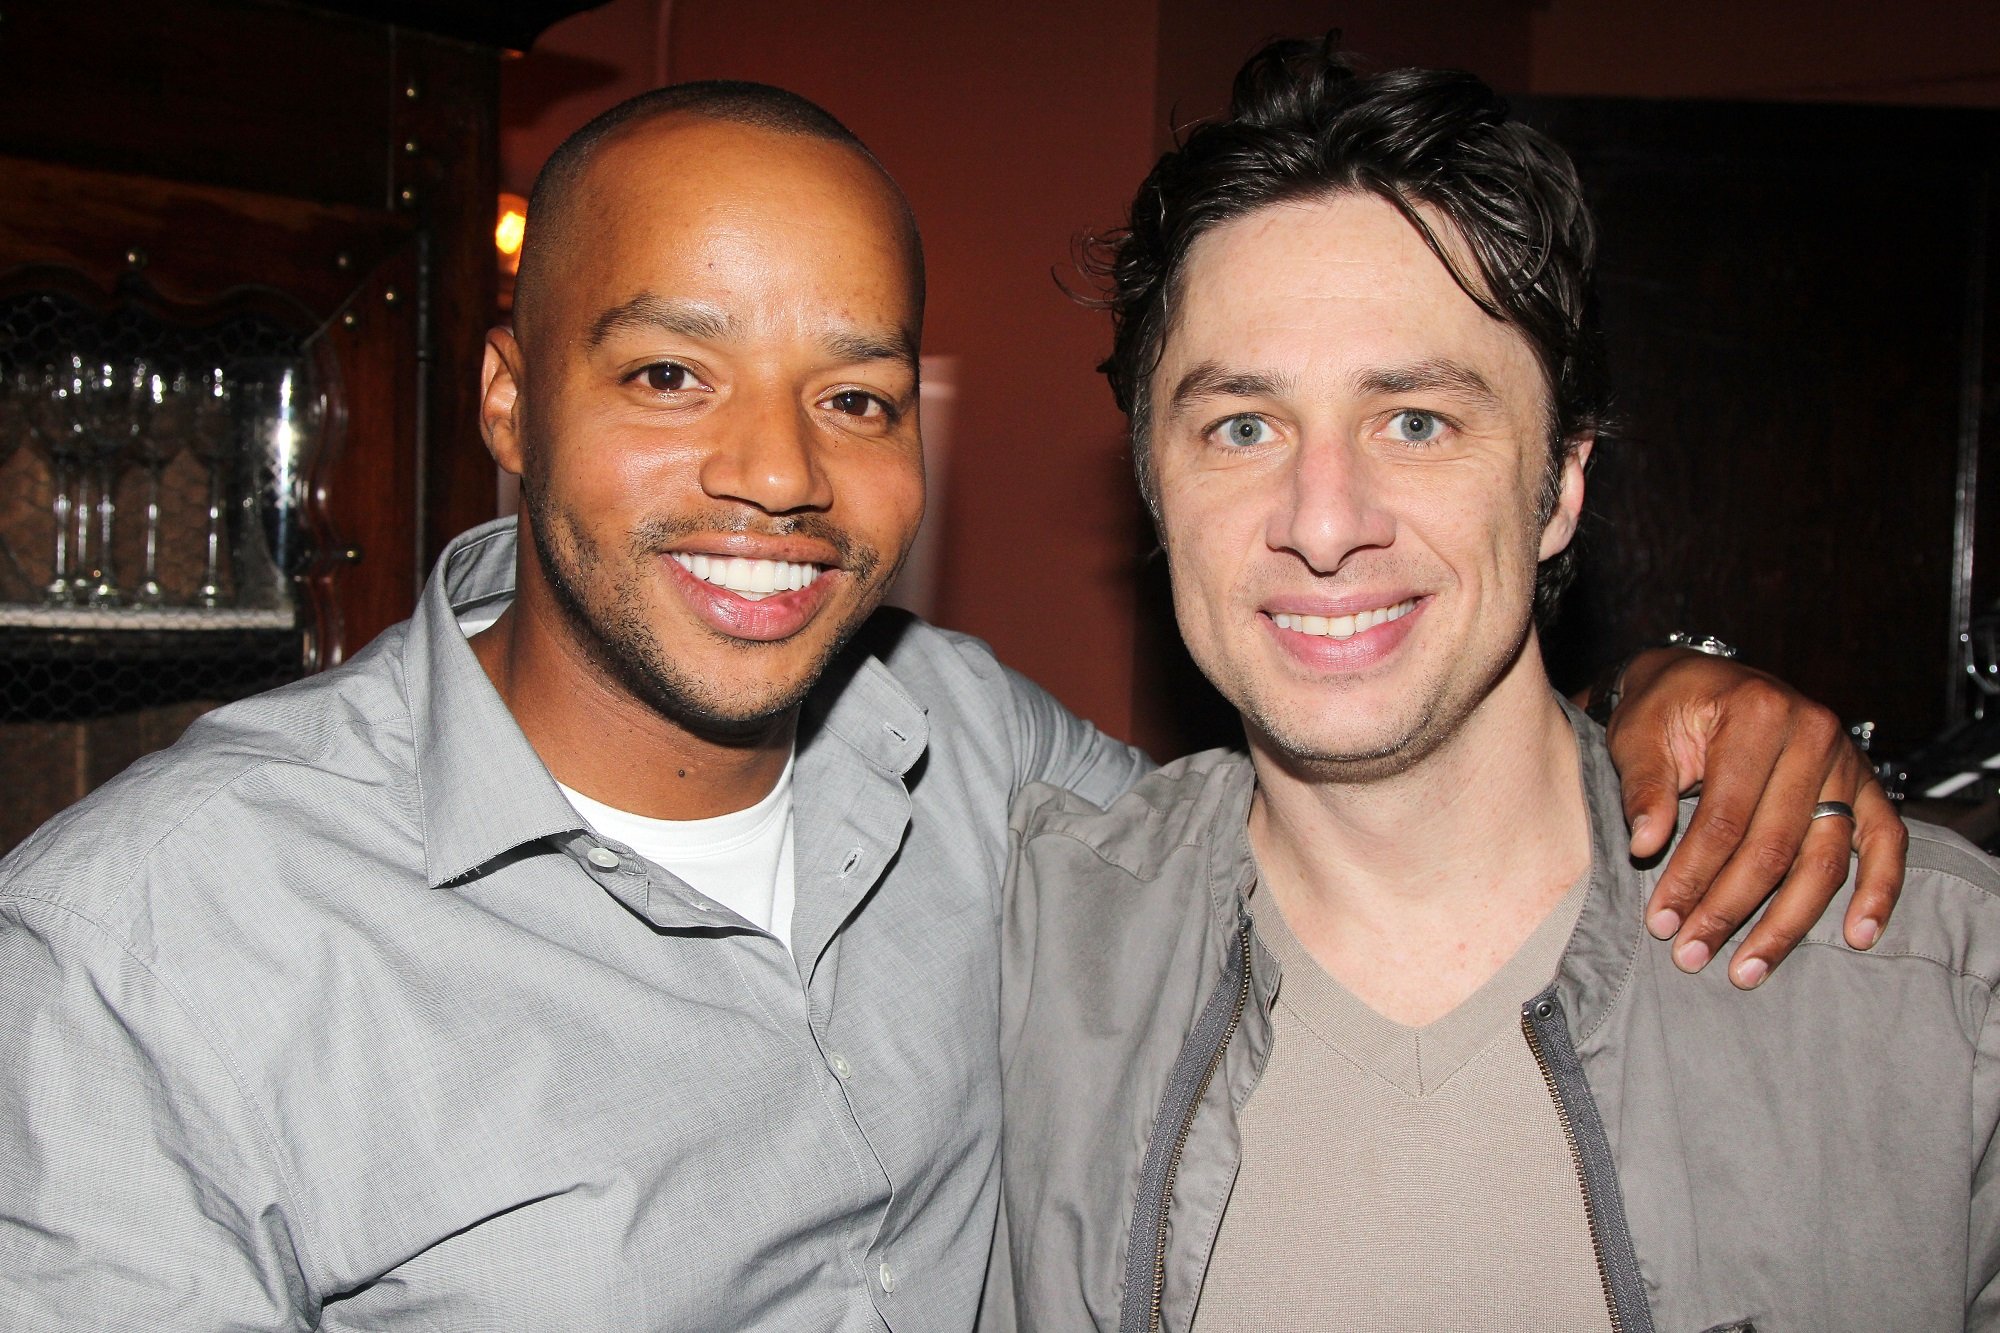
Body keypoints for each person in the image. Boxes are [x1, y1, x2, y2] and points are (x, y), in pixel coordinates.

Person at [0, 80, 1899, 1330]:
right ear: (508, 399)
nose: (775, 474)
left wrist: (1666, 686)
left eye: (858, 395)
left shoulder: (971, 750)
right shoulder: (143, 950)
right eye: (669, 374)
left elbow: (1351, 809)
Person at [987, 38, 1995, 1333]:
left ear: (1561, 482)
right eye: (1243, 425)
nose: (1325, 518)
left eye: (1417, 419)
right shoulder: (1033, 951)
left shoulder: (1935, 997)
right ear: (1153, 484)